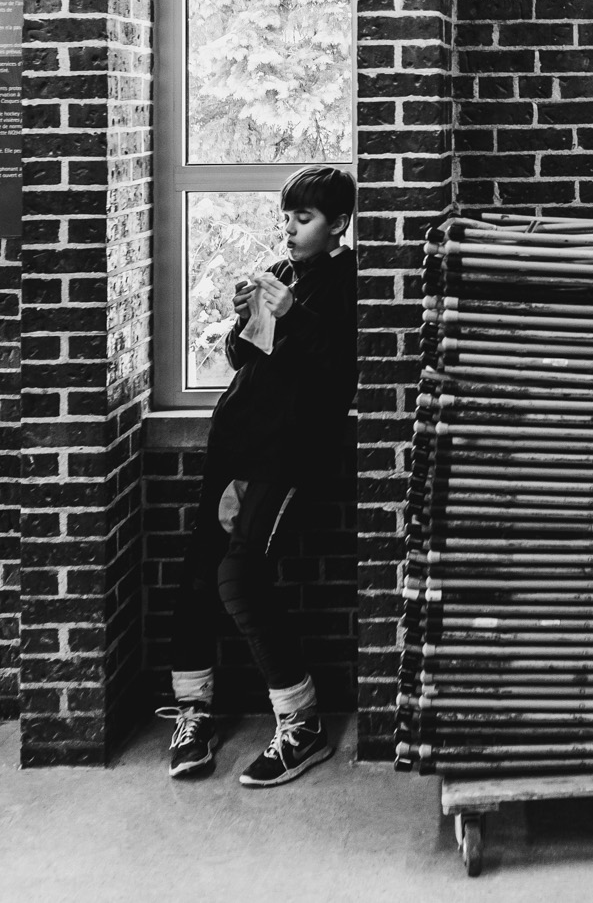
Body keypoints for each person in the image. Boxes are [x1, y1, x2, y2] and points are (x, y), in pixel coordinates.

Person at [158, 165, 357, 785]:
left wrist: (293, 315)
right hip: (235, 444)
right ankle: (193, 713)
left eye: (305, 219)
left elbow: (334, 376)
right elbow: (251, 361)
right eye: (287, 219)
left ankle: (302, 724)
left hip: (285, 454)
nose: (291, 231)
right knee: (199, 573)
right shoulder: (284, 277)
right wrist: (245, 318)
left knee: (238, 574)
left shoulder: (347, 283)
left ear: (339, 225)